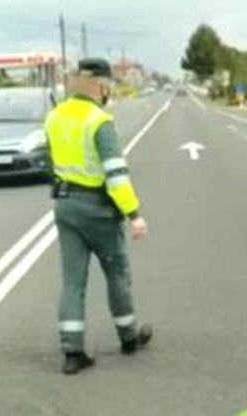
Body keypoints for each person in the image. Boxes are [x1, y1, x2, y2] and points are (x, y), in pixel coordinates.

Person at [44, 58, 153, 375]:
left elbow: (50, 161)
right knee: (116, 272)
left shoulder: (54, 116)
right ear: (102, 87)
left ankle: (72, 352)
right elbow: (116, 175)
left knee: (72, 281)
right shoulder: (99, 121)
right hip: (99, 209)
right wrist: (134, 214)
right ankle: (128, 337)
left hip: (65, 206)